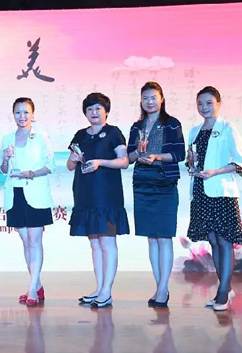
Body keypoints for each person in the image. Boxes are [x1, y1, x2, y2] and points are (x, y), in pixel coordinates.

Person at [67, 92, 131, 309]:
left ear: (106, 111)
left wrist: (99, 162)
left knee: (107, 242)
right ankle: (99, 288)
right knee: (94, 243)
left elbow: (124, 161)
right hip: (84, 193)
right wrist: (74, 159)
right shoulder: (80, 135)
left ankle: (106, 291)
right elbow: (69, 166)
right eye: (90, 109)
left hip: (106, 194)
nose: (94, 113)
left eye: (98, 109)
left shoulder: (113, 133)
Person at [127, 82, 185, 309]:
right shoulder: (136, 126)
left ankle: (163, 289)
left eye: (153, 97)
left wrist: (157, 156)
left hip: (164, 182)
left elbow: (179, 153)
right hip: (142, 183)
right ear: (141, 101)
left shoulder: (172, 123)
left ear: (162, 99)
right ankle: (160, 286)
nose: (149, 102)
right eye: (145, 98)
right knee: (151, 237)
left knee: (164, 236)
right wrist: (138, 152)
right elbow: (129, 157)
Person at [185, 86, 242, 311]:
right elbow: (192, 160)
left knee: (224, 240)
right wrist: (191, 162)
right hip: (201, 190)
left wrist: (215, 172)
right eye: (200, 103)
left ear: (218, 103)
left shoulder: (227, 128)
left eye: (209, 103)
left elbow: (239, 161)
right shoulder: (194, 131)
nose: (204, 107)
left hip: (221, 191)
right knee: (213, 240)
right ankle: (225, 288)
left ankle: (222, 293)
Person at [0, 97, 55, 306]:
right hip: (15, 194)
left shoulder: (40, 137)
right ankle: (37, 284)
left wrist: (31, 173)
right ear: (13, 114)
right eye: (18, 112)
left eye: (26, 112)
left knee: (35, 241)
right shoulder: (7, 139)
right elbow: (4, 170)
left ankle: (32, 290)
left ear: (33, 114)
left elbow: (51, 165)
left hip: (35, 192)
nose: (22, 116)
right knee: (26, 241)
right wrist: (5, 159)